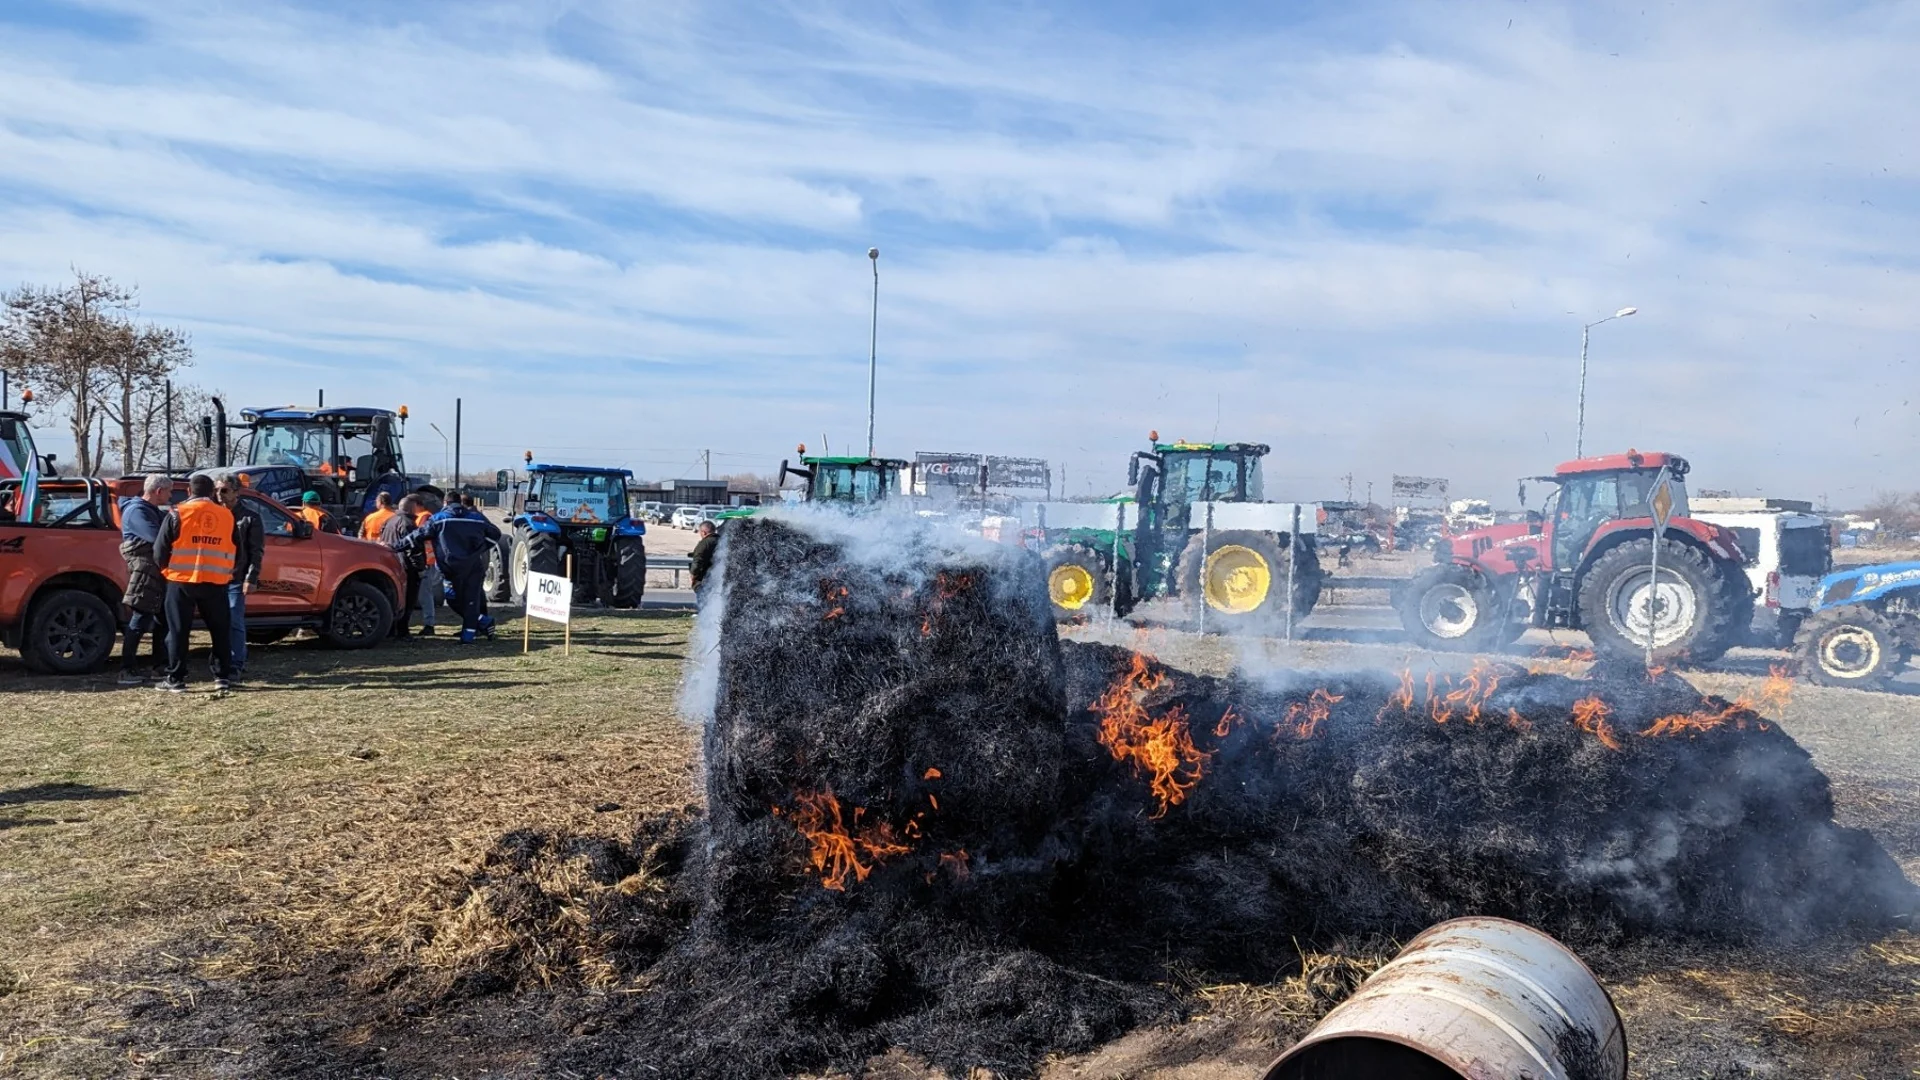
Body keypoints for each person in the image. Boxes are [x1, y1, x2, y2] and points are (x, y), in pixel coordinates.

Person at [154, 473, 238, 693]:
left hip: (181, 580)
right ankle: (222, 677)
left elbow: (159, 550)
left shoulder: (177, 513)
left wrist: (167, 571)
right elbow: (237, 548)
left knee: (178, 631)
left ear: (189, 492)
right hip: (216, 581)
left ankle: (176, 678)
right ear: (212, 492)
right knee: (220, 630)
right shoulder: (226, 516)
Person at [392, 496, 500, 643]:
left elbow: (417, 536)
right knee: (471, 600)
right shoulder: (477, 518)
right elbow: (496, 534)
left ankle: (471, 633)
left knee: (452, 598)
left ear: (445, 503)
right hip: (472, 566)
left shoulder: (439, 519)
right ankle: (474, 630)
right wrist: (481, 548)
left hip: (449, 567)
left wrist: (395, 547)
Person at [116, 474, 173, 684]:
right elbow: (158, 539)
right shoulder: (137, 512)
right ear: (158, 491)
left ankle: (159, 666)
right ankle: (126, 670)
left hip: (154, 571)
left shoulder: (150, 511)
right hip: (145, 571)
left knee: (162, 620)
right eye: (168, 491)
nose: (170, 496)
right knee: (140, 620)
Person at [218, 480, 264, 679]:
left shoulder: (249, 518)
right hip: (214, 576)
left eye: (224, 490)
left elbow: (256, 551)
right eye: (216, 490)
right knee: (219, 621)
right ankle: (221, 660)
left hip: (236, 577)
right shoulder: (214, 514)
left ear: (236, 492)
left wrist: (251, 577)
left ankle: (236, 663)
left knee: (234, 619)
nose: (219, 494)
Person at [380, 495, 426, 636]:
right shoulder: (407, 524)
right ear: (411, 508)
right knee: (408, 600)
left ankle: (391, 630)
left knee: (393, 599)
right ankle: (403, 630)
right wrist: (420, 569)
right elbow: (414, 548)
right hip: (406, 568)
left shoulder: (389, 521)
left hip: (390, 566)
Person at [412, 493, 441, 634]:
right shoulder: (421, 517)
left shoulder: (424, 517)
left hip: (426, 561)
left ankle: (429, 624)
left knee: (425, 594)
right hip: (421, 560)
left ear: (416, 504)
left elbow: (420, 536)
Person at [689, 520, 719, 596]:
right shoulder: (722, 541)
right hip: (718, 578)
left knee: (703, 602)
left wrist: (693, 574)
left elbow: (697, 560)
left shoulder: (704, 543)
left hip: (704, 579)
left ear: (703, 532)